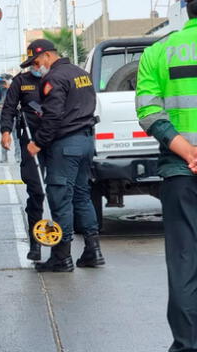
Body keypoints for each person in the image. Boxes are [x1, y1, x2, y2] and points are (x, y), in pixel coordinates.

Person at [136, 1, 197, 349]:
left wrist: (187, 151)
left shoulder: (159, 52)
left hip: (179, 171)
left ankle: (188, 345)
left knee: (185, 262)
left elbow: (148, 111)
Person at [21, 39, 105, 272]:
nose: (36, 67)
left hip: (65, 145)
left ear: (47, 55)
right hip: (86, 141)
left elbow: (53, 115)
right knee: (81, 196)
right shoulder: (81, 73)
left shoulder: (54, 78)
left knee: (60, 198)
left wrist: (38, 142)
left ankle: (61, 256)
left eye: (36, 62)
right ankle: (93, 251)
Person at [0, 68, 45, 260]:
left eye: (39, 60)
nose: (37, 65)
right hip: (30, 142)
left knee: (62, 194)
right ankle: (36, 244)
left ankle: (63, 248)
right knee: (36, 192)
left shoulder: (59, 76)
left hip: (57, 142)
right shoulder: (21, 81)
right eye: (32, 62)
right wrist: (6, 131)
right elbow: (9, 107)